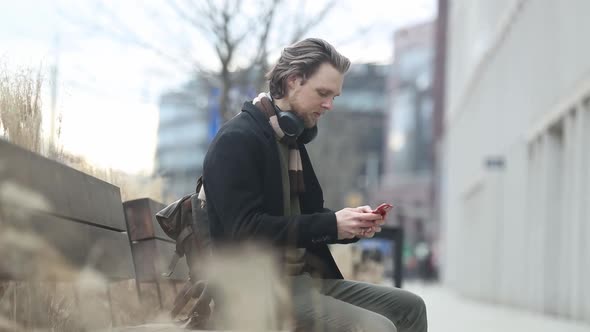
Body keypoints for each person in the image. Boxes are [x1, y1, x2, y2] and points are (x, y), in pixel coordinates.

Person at [202, 38, 427, 332]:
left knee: (410, 307)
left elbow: (310, 216)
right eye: (323, 93)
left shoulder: (291, 141)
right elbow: (246, 231)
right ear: (294, 81)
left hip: (305, 281)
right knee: (376, 327)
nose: (330, 105)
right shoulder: (236, 141)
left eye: (335, 96)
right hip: (255, 290)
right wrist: (331, 225)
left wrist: (351, 225)